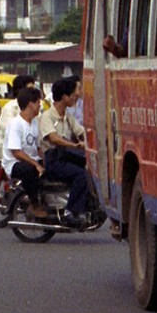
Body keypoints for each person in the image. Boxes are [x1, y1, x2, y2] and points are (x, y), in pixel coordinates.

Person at [40, 76, 91, 227]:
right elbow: (53, 138)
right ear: (65, 97)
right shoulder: (47, 117)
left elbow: (81, 132)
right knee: (80, 175)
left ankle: (86, 206)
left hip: (66, 156)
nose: (77, 98)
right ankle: (70, 211)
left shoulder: (68, 117)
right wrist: (74, 145)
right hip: (54, 159)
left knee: (88, 168)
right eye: (74, 95)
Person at [2, 86, 45, 214]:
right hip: (14, 163)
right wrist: (36, 164)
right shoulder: (16, 124)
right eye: (38, 103)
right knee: (29, 170)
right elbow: (17, 152)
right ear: (31, 104)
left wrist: (45, 160)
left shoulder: (35, 123)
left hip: (31, 159)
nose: (40, 106)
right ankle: (34, 204)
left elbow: (38, 148)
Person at [0, 74, 37, 140]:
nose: (33, 93)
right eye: (29, 90)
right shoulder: (9, 109)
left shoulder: (36, 107)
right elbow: (11, 133)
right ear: (20, 91)